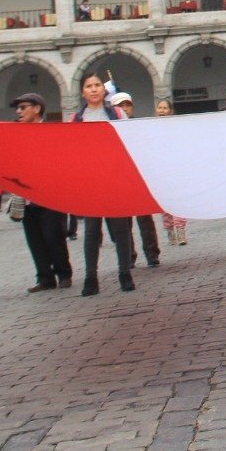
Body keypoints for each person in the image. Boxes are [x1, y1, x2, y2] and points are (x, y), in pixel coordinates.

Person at [70, 73, 135, 295]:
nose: (94, 89)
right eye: (89, 86)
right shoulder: (76, 118)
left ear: (103, 90)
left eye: (97, 85)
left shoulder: (116, 114)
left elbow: (130, 140)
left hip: (114, 177)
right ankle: (90, 277)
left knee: (121, 230)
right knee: (91, 230)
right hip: (91, 180)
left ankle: (125, 273)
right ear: (83, 92)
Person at [13, 93, 72, 291]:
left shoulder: (50, 131)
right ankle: (45, 277)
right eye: (18, 108)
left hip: (50, 194)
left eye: (23, 107)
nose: (18, 112)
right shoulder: (14, 133)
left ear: (37, 108)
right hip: (27, 196)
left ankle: (63, 274)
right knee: (34, 238)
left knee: (53, 236)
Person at [109, 91, 162, 267]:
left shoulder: (138, 126)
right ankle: (128, 255)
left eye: (127, 105)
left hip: (139, 178)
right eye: (121, 106)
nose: (125, 108)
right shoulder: (109, 128)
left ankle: (152, 254)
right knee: (124, 222)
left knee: (145, 219)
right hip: (119, 179)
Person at [153, 99, 189, 246]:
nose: (162, 110)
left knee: (179, 201)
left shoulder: (176, 128)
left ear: (170, 111)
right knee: (165, 204)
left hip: (176, 171)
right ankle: (169, 231)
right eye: (159, 108)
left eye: (165, 108)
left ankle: (181, 231)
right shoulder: (151, 128)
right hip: (160, 172)